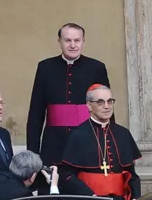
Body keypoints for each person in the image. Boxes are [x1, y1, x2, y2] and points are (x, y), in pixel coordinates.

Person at [26, 23, 111, 168]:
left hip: (89, 141)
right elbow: (36, 112)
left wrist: (108, 146)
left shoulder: (96, 68)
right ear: (59, 42)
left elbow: (106, 109)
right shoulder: (45, 67)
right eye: (67, 40)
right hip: (54, 144)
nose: (73, 45)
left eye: (77, 40)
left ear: (83, 42)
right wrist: (33, 153)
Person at [58, 84, 141, 200]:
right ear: (89, 106)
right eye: (100, 102)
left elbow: (132, 174)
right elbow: (67, 175)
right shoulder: (78, 134)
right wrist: (89, 195)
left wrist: (136, 197)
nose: (107, 106)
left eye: (110, 101)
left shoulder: (123, 133)